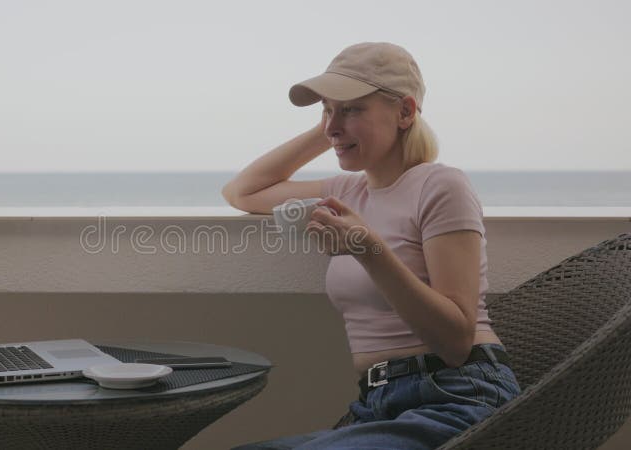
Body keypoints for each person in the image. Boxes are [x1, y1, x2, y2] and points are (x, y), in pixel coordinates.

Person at [222, 42, 522, 449]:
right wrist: (329, 127)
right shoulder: (348, 191)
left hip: (457, 395)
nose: (331, 125)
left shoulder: (440, 186)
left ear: (405, 112)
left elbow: (454, 341)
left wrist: (368, 248)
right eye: (327, 110)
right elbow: (243, 191)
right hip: (377, 404)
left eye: (352, 108)